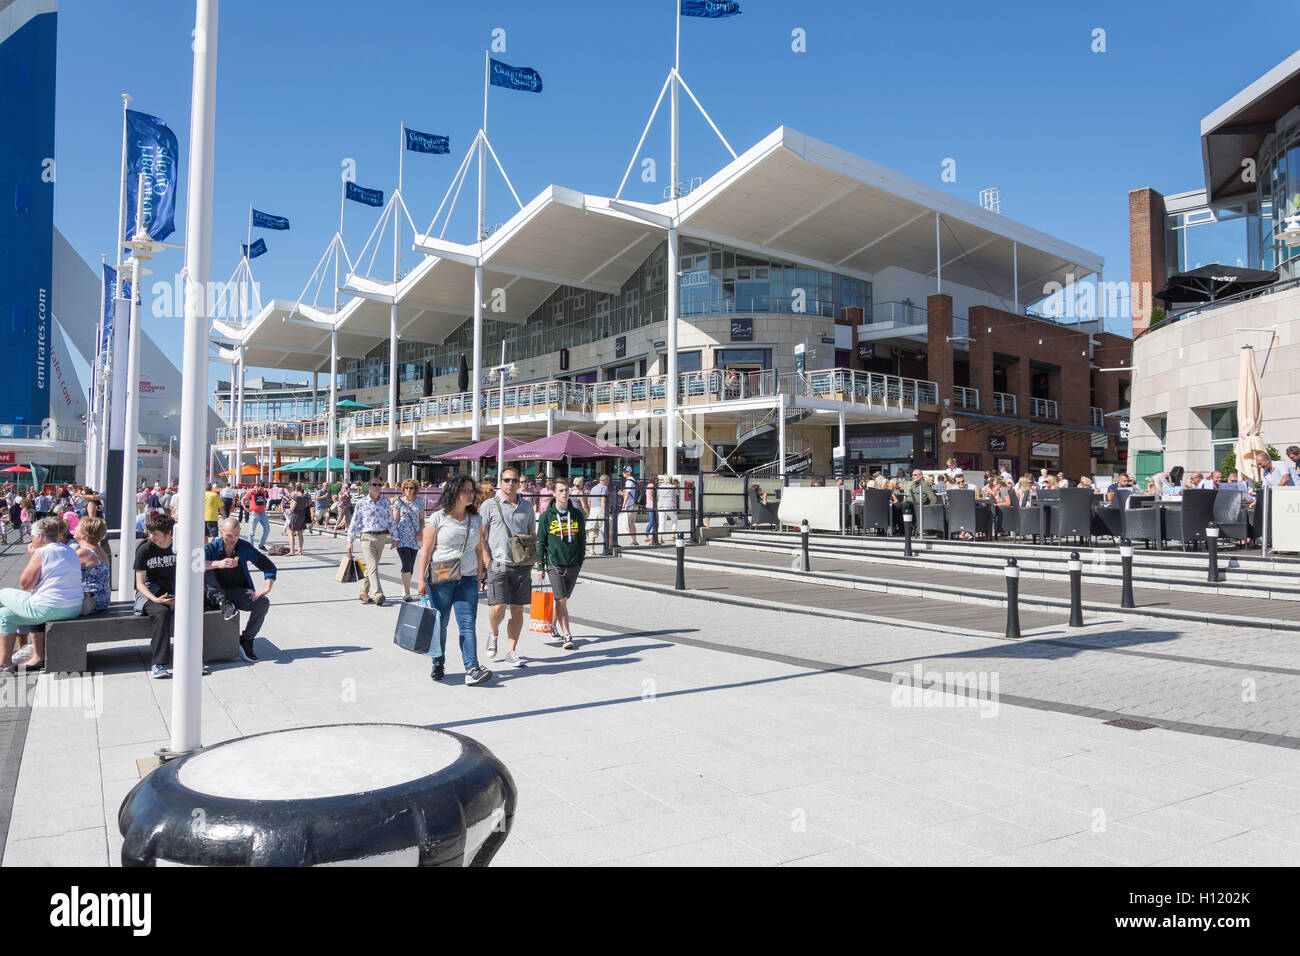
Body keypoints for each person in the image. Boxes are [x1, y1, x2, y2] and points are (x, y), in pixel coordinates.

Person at [416, 474, 492, 686]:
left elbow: (478, 549)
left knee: (467, 624)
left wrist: (478, 575)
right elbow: (426, 552)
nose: (471, 494)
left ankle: (472, 667)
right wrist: (421, 581)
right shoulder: (438, 518)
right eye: (466, 490)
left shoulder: (475, 519)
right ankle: (438, 661)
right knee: (441, 623)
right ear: (454, 492)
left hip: (467, 578)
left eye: (472, 491)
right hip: (441, 577)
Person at [0, 518, 86, 672]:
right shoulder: (70, 550)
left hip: (47, 608)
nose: (31, 539)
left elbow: (25, 585)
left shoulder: (42, 552)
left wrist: (33, 556)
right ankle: (5, 663)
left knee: (2, 594)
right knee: (4, 614)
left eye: (32, 535)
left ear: (39, 537)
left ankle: (10, 656)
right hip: (73, 607)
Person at [133, 512, 203, 680]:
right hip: (151, 593)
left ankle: (192, 659)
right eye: (150, 533)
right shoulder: (144, 549)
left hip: (174, 589)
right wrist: (155, 599)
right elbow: (140, 583)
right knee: (162, 613)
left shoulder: (180, 547)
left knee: (191, 610)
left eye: (155, 534)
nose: (151, 537)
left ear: (168, 533)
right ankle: (158, 663)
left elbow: (192, 573)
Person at [480, 466, 535, 667]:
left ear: (519, 483)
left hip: (521, 565)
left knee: (518, 610)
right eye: (506, 480)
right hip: (499, 563)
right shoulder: (489, 505)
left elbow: (532, 534)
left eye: (514, 480)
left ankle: (511, 651)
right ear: (500, 482)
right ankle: (493, 633)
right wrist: (487, 560)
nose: (510, 484)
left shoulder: (527, 506)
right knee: (498, 606)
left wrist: (532, 558)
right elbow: (481, 534)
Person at [204, 517, 277, 663]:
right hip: (213, 595)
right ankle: (223, 603)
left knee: (262, 602)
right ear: (221, 532)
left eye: (236, 535)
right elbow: (195, 564)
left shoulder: (244, 547)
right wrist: (218, 563)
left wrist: (267, 587)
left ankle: (246, 640)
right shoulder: (211, 548)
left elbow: (268, 566)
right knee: (206, 571)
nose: (233, 539)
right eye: (229, 535)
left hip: (237, 592)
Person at [536, 475, 585, 650]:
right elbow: (541, 541)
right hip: (554, 563)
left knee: (562, 601)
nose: (565, 494)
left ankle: (553, 624)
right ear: (554, 493)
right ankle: (567, 635)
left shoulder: (577, 514)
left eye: (567, 491)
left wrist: (580, 560)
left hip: (573, 563)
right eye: (561, 491)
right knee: (561, 599)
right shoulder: (546, 516)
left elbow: (582, 539)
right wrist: (540, 566)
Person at [347, 476, 398, 605]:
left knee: (371, 567)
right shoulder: (362, 502)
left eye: (379, 485)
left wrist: (394, 537)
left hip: (381, 537)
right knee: (373, 566)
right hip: (367, 537)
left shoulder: (385, 502)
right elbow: (354, 522)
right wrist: (350, 541)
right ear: (369, 487)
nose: (377, 487)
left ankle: (363, 591)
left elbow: (391, 520)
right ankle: (378, 593)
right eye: (374, 484)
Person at [392, 478, 426, 602]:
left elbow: (422, 519)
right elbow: (395, 520)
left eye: (411, 488)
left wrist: (420, 533)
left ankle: (404, 587)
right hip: (402, 537)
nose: (408, 490)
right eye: (406, 487)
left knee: (410, 565)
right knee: (406, 563)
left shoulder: (419, 502)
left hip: (414, 537)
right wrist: (393, 537)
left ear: (415, 489)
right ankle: (407, 592)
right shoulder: (399, 502)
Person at [74, 516, 111, 616]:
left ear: (83, 535)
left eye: (77, 527)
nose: (75, 528)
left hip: (89, 601)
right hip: (102, 599)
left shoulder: (83, 552)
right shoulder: (98, 549)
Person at [242, 480, 271, 549]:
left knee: (267, 529)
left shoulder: (264, 492)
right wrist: (245, 507)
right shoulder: (252, 492)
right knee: (252, 531)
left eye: (263, 488)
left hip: (263, 513)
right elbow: (243, 499)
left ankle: (261, 545)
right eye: (260, 488)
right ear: (257, 486)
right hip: (254, 513)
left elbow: (264, 499)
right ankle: (251, 546)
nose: (262, 489)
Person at [618, 466, 639, 546]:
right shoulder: (633, 480)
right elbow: (628, 493)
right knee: (631, 523)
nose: (623, 473)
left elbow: (628, 493)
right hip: (633, 504)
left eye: (624, 471)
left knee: (630, 523)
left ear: (628, 472)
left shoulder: (629, 481)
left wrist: (623, 506)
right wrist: (623, 493)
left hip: (630, 505)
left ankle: (634, 541)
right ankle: (634, 540)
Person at [586, 473, 609, 547]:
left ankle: (591, 550)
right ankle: (607, 548)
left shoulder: (593, 488)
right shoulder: (604, 488)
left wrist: (589, 512)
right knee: (605, 530)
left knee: (592, 532)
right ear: (605, 481)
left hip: (592, 510)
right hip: (600, 509)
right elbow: (603, 499)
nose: (608, 483)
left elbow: (589, 501)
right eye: (608, 481)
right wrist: (604, 512)